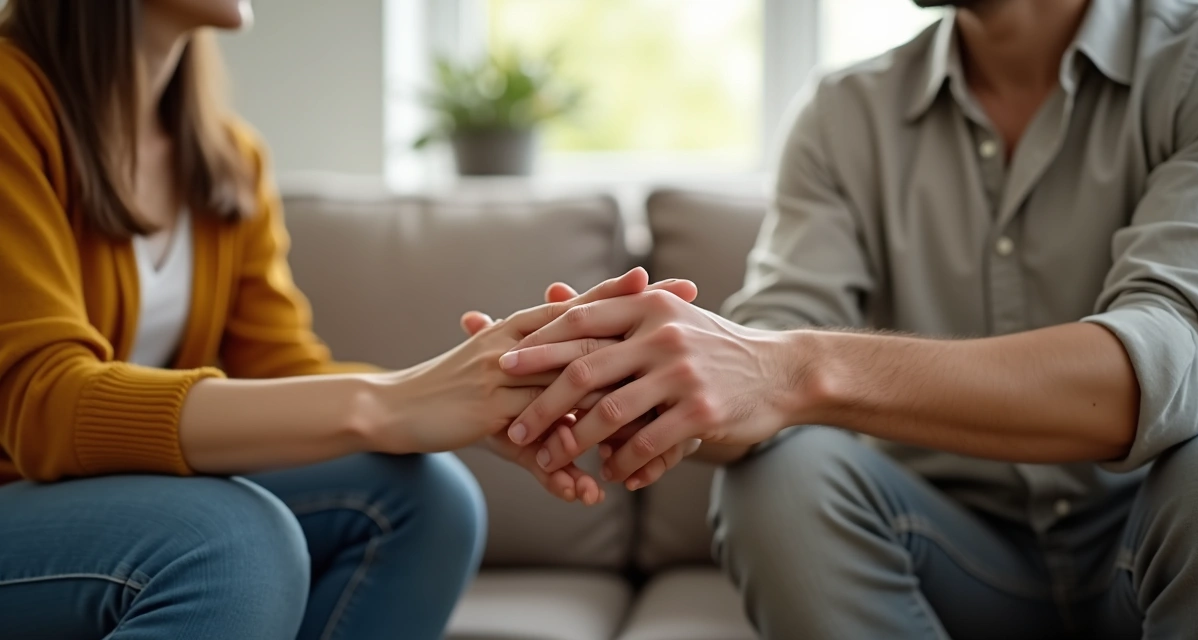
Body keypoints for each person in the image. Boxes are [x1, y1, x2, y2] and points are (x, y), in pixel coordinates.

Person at [488, 0, 1198, 637]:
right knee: (777, 476)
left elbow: (1161, 369)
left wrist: (793, 369)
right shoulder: (844, 112)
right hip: (939, 551)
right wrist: (645, 378)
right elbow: (761, 356)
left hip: (1151, 539)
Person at [0, 1, 698, 638]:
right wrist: (395, 403)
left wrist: (487, 399)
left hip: (95, 494)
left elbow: (282, 374)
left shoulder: (225, 159)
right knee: (232, 540)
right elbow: (45, 404)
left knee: (429, 498)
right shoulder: (10, 103)